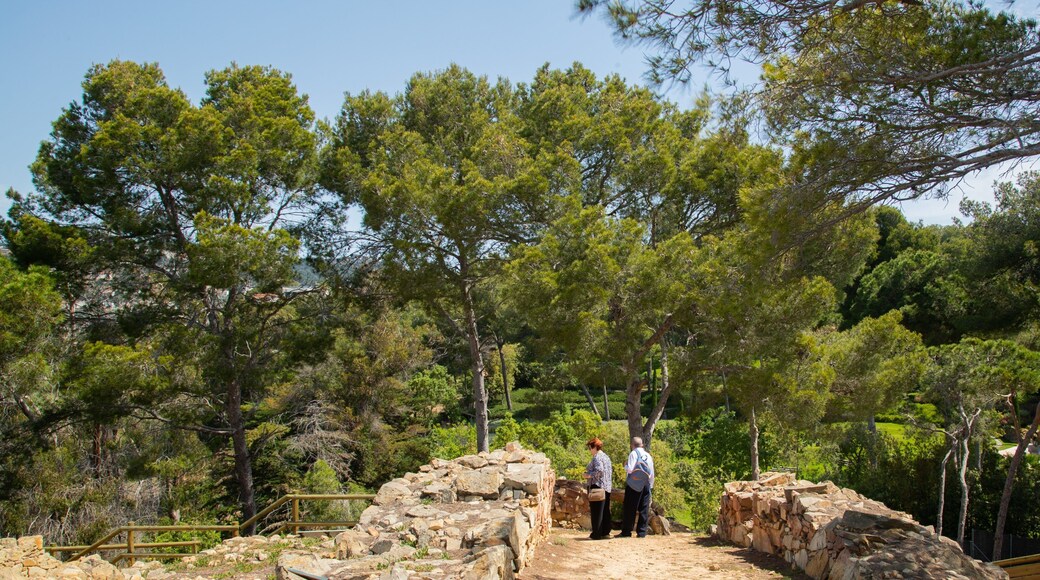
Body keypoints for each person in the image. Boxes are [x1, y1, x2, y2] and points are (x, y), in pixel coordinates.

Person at [617, 436, 654, 538]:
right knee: (644, 508)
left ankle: (626, 532)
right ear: (642, 444)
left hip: (633, 484)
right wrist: (650, 485)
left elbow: (630, 469)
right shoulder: (648, 455)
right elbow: (651, 472)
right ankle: (641, 532)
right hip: (645, 484)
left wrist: (625, 466)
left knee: (630, 508)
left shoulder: (633, 454)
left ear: (632, 445)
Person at [582, 437, 613, 540]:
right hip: (607, 487)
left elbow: (599, 470)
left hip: (598, 486)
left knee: (596, 512)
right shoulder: (606, 457)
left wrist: (588, 475)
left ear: (594, 447)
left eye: (590, 448)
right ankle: (605, 532)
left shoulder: (597, 457)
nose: (589, 450)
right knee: (605, 511)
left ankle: (596, 534)